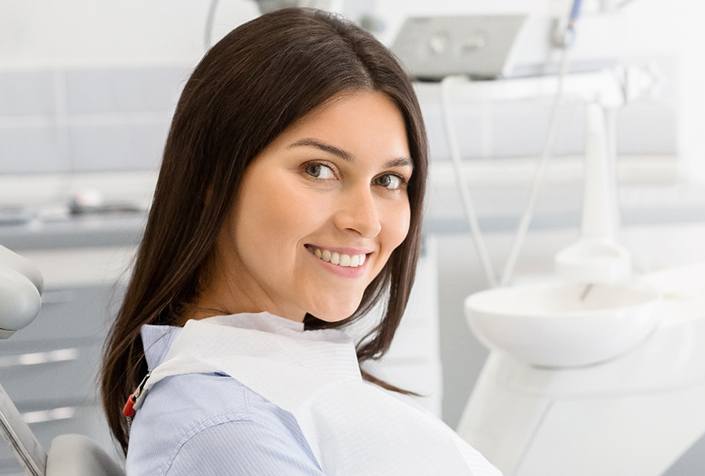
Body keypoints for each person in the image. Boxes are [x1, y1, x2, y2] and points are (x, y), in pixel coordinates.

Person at [97, 8, 499, 475]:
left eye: (388, 180)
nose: (365, 221)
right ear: (212, 177)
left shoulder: (260, 377)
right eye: (318, 170)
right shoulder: (228, 432)